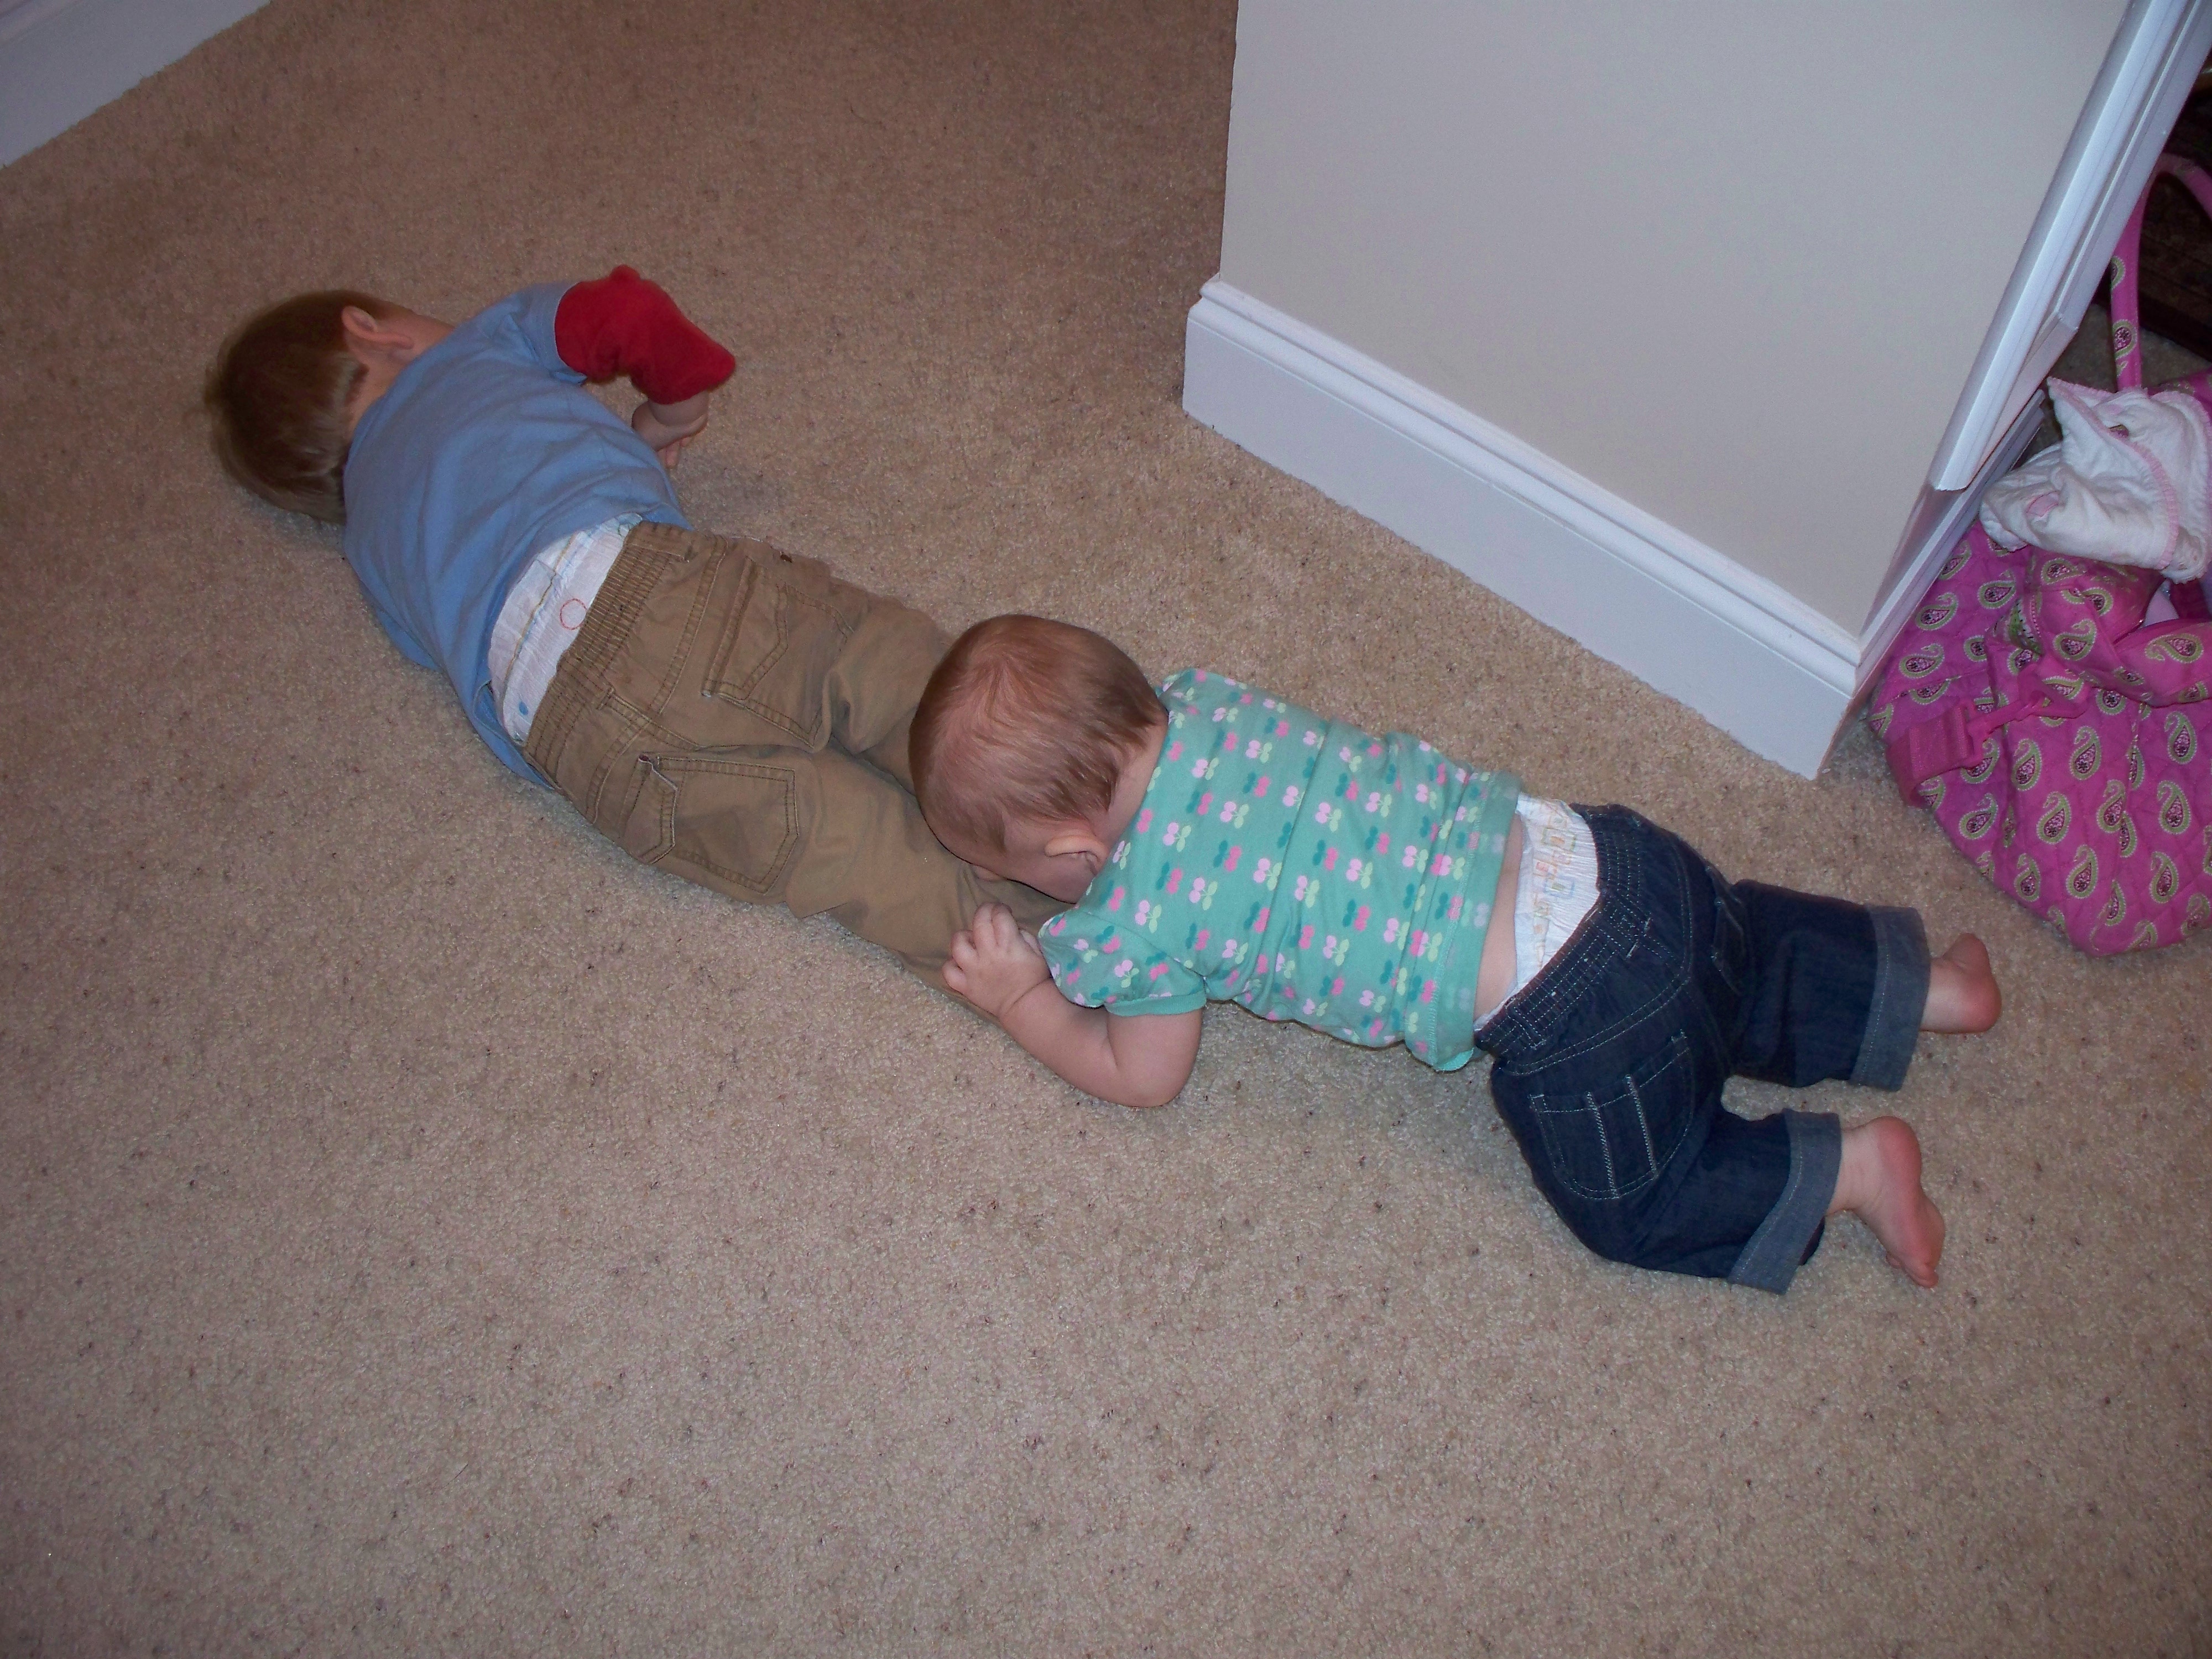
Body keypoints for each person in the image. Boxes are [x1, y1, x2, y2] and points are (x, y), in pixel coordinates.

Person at [910, 615, 2003, 1293]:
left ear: (1076, 854)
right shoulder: (1208, 701)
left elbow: (1143, 1074)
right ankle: (1927, 990)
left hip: (1585, 1011)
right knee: (1747, 956)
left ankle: (1851, 1170)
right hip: (1623, 860)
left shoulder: (1136, 921)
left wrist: (1022, 1001)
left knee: (1636, 1198)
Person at [204, 269, 1054, 978]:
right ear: (373, 332)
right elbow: (628, 316)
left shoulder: (368, 546)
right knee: (875, 673)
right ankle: (1068, 804)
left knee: (844, 851)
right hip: (653, 587)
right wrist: (672, 413)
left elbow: (450, 616)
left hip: (580, 742)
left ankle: (1053, 973)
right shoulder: (475, 345)